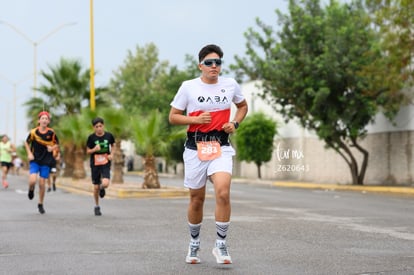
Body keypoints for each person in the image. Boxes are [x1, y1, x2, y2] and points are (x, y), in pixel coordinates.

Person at [169, 44, 248, 265]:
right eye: (209, 63)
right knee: (197, 199)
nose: (214, 66)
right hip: (195, 148)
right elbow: (173, 116)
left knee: (223, 192)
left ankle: (221, 245)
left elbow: (243, 106)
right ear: (200, 65)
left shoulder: (230, 84)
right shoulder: (188, 87)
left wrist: (235, 123)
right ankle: (194, 243)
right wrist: (194, 120)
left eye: (218, 62)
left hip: (220, 146)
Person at [25, 111, 60, 214]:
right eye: (42, 118)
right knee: (32, 180)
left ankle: (40, 203)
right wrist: (29, 154)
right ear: (39, 120)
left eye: (46, 119)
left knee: (42, 183)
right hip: (35, 159)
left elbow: (57, 144)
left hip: (46, 161)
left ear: (48, 121)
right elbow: (26, 143)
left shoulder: (51, 133)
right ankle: (31, 189)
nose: (44, 120)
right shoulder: (33, 132)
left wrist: (52, 148)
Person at [86, 117, 115, 216]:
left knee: (106, 183)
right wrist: (94, 149)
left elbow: (113, 145)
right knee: (95, 187)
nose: (99, 128)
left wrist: (112, 154)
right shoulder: (91, 138)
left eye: (100, 126)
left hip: (105, 162)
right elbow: (88, 151)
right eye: (96, 126)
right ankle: (96, 206)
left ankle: (102, 188)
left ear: (103, 126)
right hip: (95, 164)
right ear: (93, 127)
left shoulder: (109, 136)